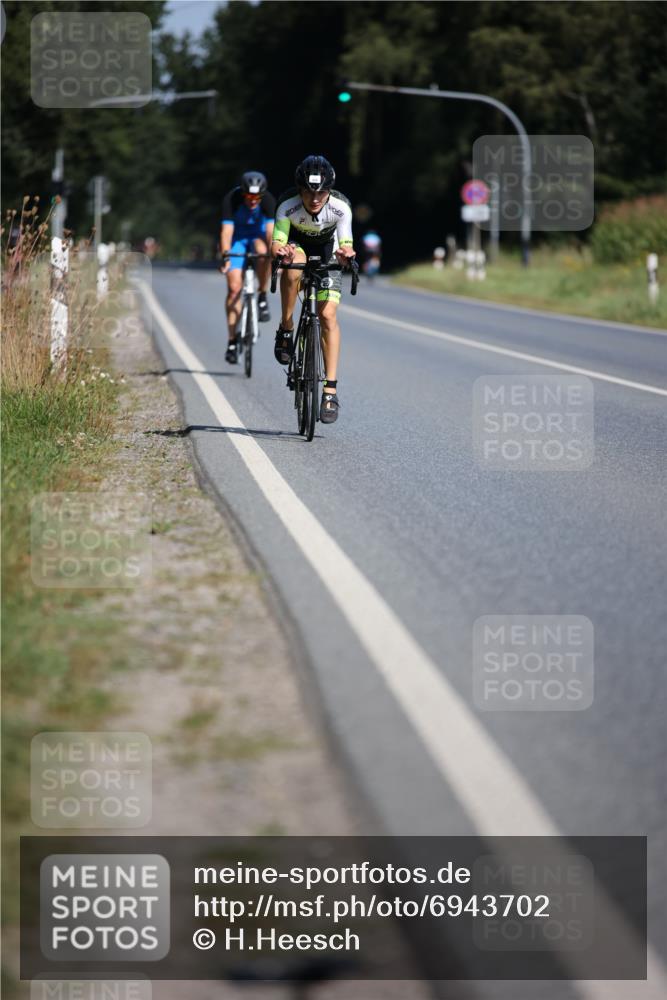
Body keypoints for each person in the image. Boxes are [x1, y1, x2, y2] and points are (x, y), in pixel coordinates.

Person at [271, 155, 355, 424]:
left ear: (329, 190)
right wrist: (281, 251)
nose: (315, 198)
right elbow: (278, 242)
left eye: (321, 192)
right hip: (297, 247)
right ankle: (286, 326)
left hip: (329, 251)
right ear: (300, 190)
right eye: (308, 192)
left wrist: (346, 254)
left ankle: (330, 390)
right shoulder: (288, 206)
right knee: (293, 264)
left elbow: (346, 243)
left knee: (328, 316)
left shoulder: (340, 207)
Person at [220, 171, 275, 364]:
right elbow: (226, 232)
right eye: (249, 196)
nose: (253, 201)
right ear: (243, 193)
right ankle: (232, 341)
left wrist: (274, 256)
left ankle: (262, 295)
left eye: (257, 197)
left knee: (263, 252)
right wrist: (226, 257)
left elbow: (270, 234)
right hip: (238, 238)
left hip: (258, 236)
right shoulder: (231, 199)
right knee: (234, 288)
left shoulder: (268, 200)